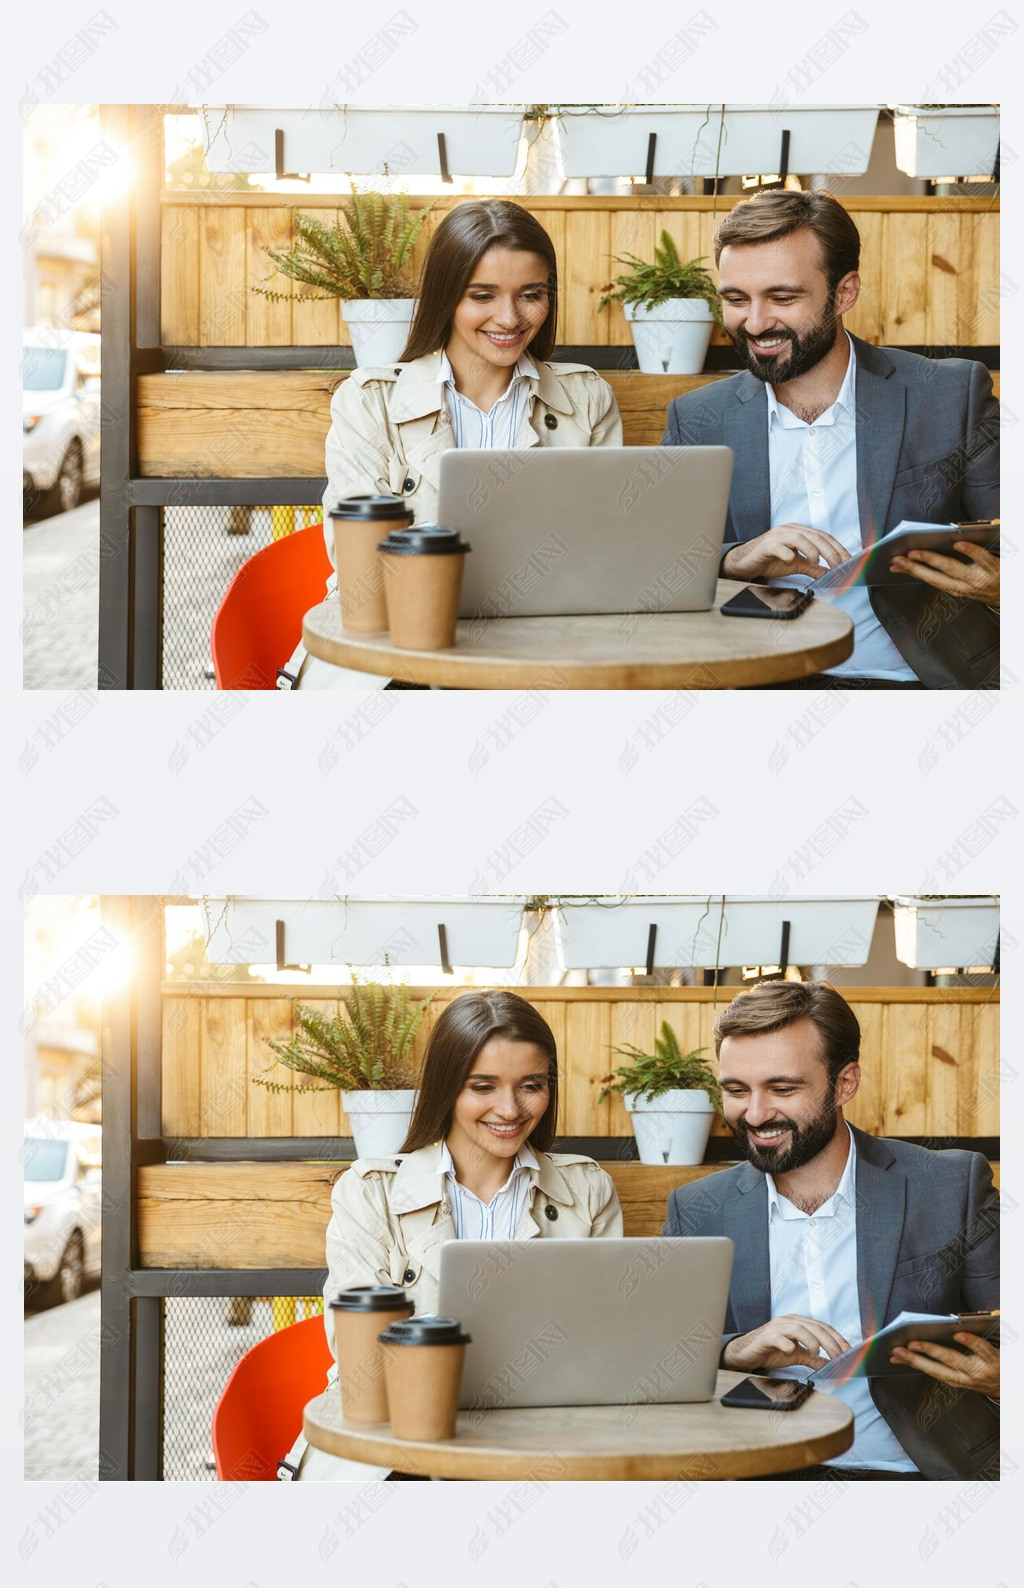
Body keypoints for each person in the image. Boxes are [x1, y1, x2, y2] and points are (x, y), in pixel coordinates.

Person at [662, 190, 999, 689]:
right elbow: (659, 569)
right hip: (757, 684)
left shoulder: (951, 395)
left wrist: (1001, 588)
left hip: (920, 684)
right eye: (736, 299)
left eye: (782, 298)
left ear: (844, 293)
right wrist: (735, 559)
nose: (754, 323)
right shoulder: (696, 418)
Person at [663, 980, 998, 1480]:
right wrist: (735, 1350)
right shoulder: (697, 1208)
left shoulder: (951, 1185)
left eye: (782, 1088)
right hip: (759, 1475)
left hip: (919, 1474)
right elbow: (661, 1359)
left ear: (845, 1083)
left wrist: (1000, 1379)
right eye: (736, 1090)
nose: (755, 1114)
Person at [285, 989, 623, 1478]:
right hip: (396, 1441)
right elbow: (362, 1356)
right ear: (446, 1088)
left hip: (544, 1437)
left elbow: (607, 1340)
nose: (510, 1109)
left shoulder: (586, 1189)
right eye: (482, 1087)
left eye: (531, 1085)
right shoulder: (371, 1191)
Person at [285, 199, 623, 688]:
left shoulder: (586, 398)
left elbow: (607, 549)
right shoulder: (370, 400)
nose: (509, 318)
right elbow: (360, 564)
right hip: (395, 649)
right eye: (482, 296)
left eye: (531, 295)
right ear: (446, 298)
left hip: (542, 645)